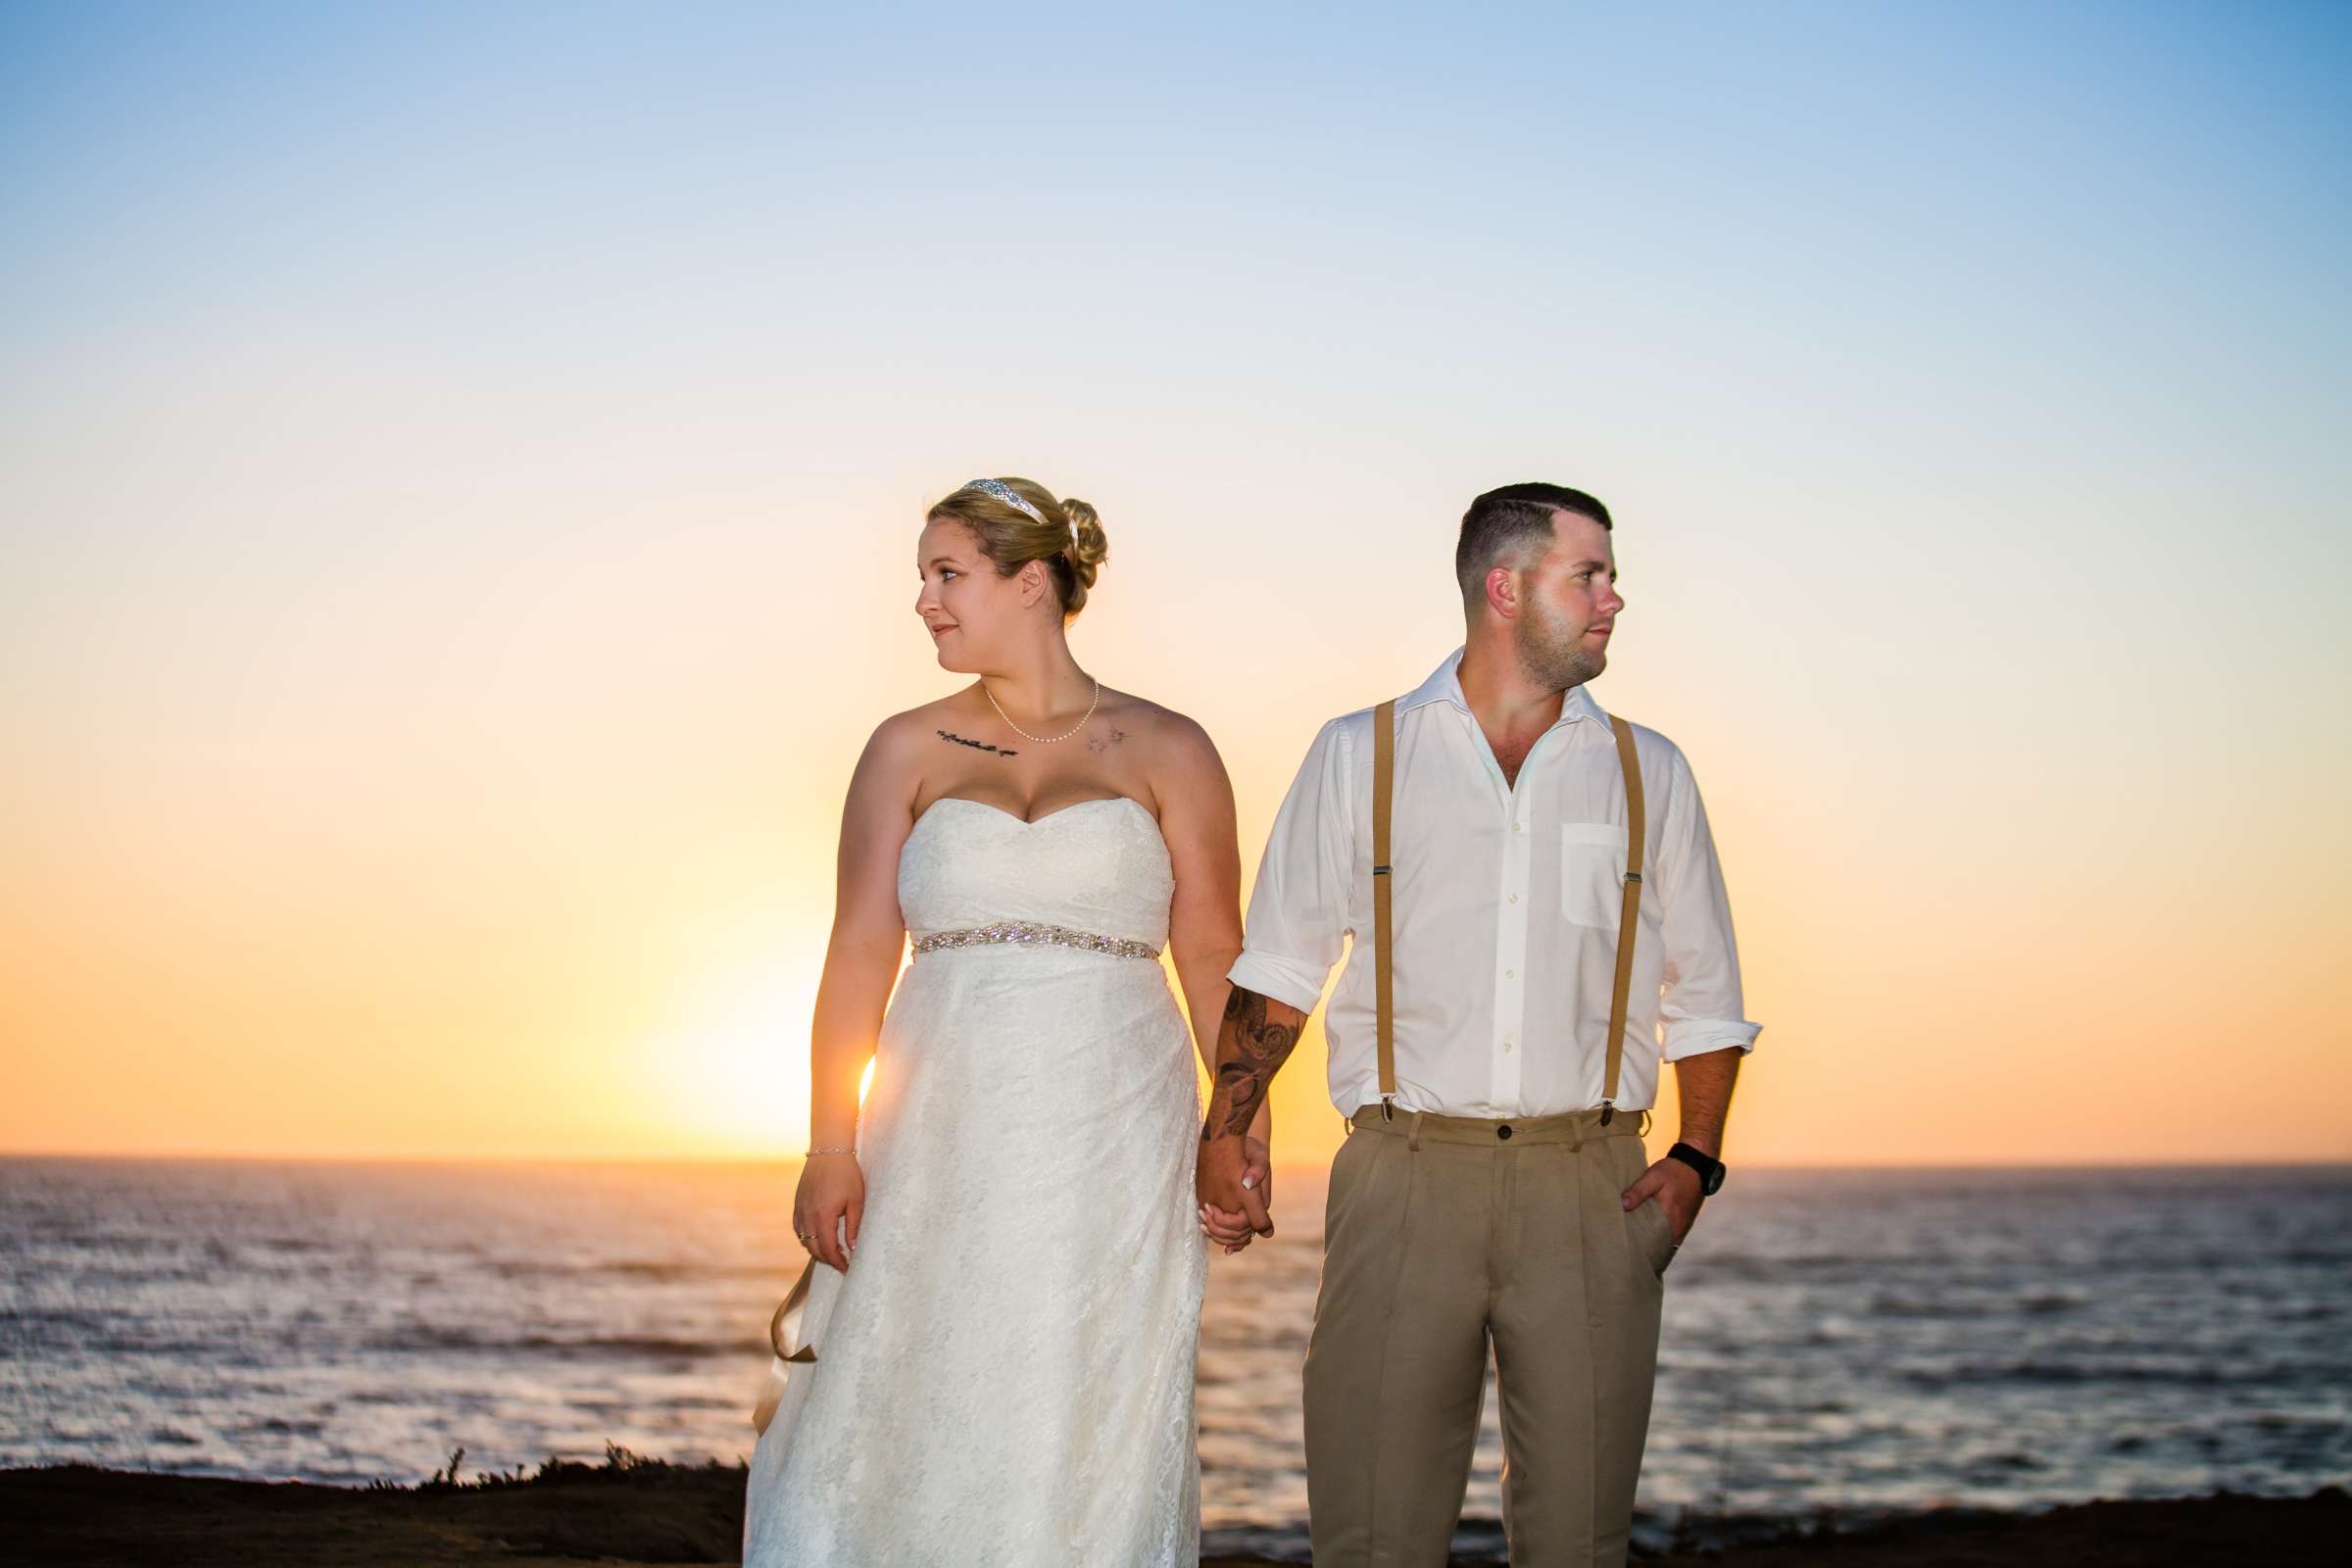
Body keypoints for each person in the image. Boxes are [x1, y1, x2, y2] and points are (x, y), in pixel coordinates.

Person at [1197, 481, 1761, 1567]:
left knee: (1580, 1544)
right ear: (1505, 588)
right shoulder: (1359, 753)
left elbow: (1707, 995)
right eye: (1587, 575)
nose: (1614, 599)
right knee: (1373, 1534)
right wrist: (1226, 1131)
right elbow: (1277, 971)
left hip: (1593, 1186)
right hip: (1404, 1179)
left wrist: (1695, 1160)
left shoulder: (1651, 772)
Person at [743, 476, 1263, 1567]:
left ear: (1031, 583)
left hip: (1116, 1125)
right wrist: (830, 1143)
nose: (924, 601)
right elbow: (856, 955)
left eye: (947, 574)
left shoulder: (1171, 747)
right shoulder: (904, 748)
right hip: (935, 1121)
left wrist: (1240, 1127)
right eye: (923, 577)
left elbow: (1215, 955)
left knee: (1086, 1381)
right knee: (902, 1366)